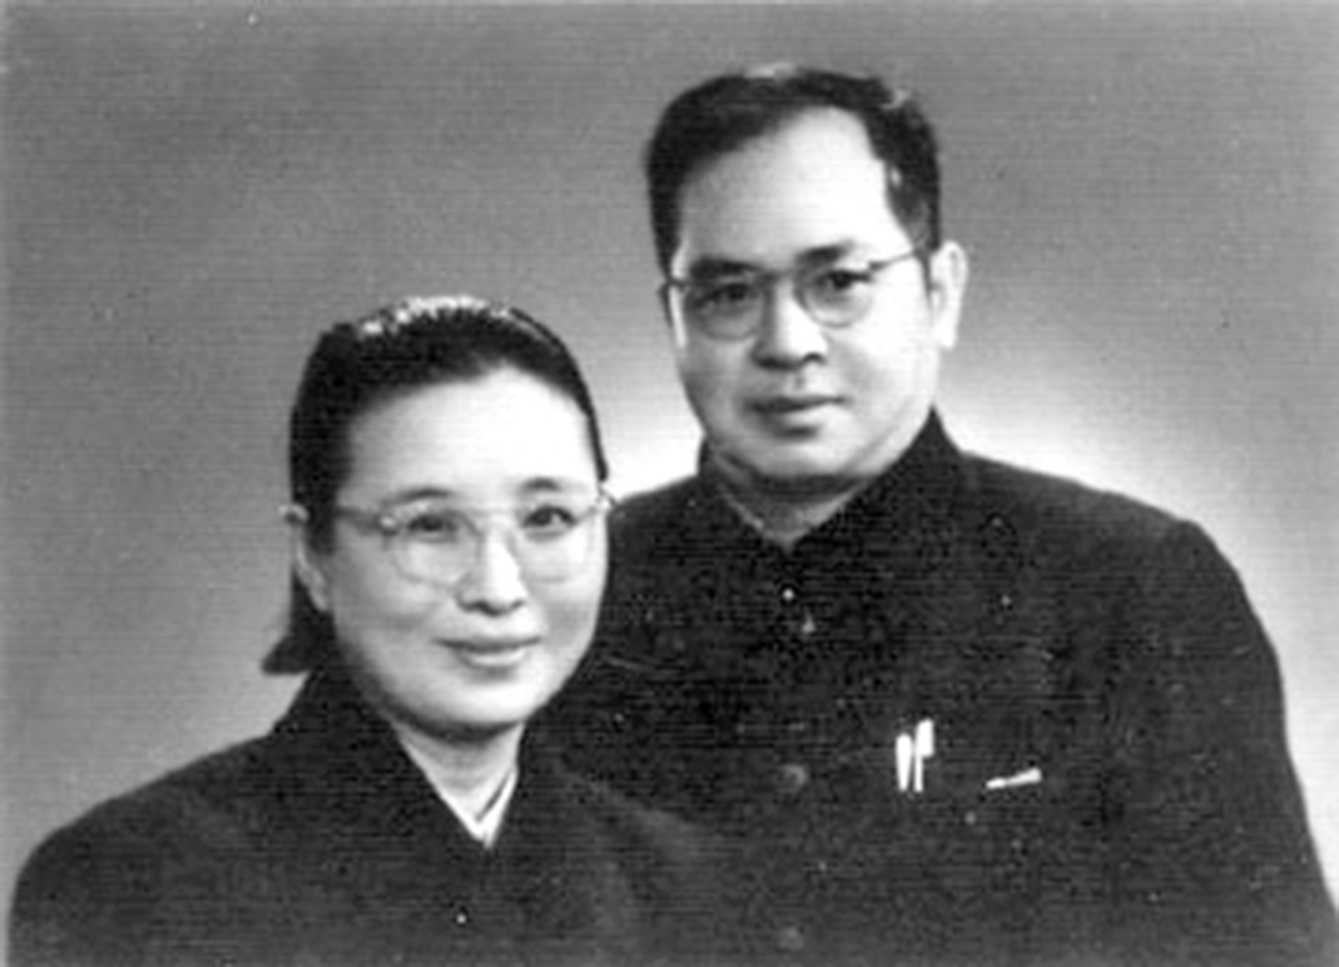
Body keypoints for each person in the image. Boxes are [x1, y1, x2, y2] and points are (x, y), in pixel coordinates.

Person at [541, 64, 1338, 965]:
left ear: (939, 292)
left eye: (838, 280)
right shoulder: (564, 591)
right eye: (728, 293)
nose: (786, 342)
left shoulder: (1132, 589)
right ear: (673, 318)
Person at [10, 295, 741, 967]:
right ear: (313, 555)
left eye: (547, 518)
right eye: (429, 526)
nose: (497, 588)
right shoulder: (137, 883)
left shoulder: (689, 888)